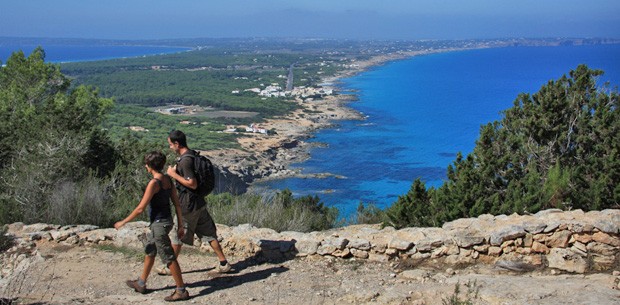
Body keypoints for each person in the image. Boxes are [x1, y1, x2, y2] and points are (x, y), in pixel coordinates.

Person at [114, 151, 190, 302]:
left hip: (159, 225)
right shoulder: (168, 179)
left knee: (169, 258)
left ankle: (181, 290)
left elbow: (140, 208)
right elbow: (177, 203)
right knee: (150, 249)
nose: (145, 167)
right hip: (166, 221)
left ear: (149, 166)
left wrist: (123, 222)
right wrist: (180, 224)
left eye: (146, 165)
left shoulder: (154, 183)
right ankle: (141, 283)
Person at [157, 130, 231, 276]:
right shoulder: (192, 154)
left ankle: (169, 267)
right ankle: (224, 263)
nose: (170, 147)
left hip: (188, 204)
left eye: (171, 144)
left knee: (177, 235)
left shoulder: (185, 161)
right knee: (209, 234)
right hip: (198, 203)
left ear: (177, 144)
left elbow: (192, 183)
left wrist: (173, 175)